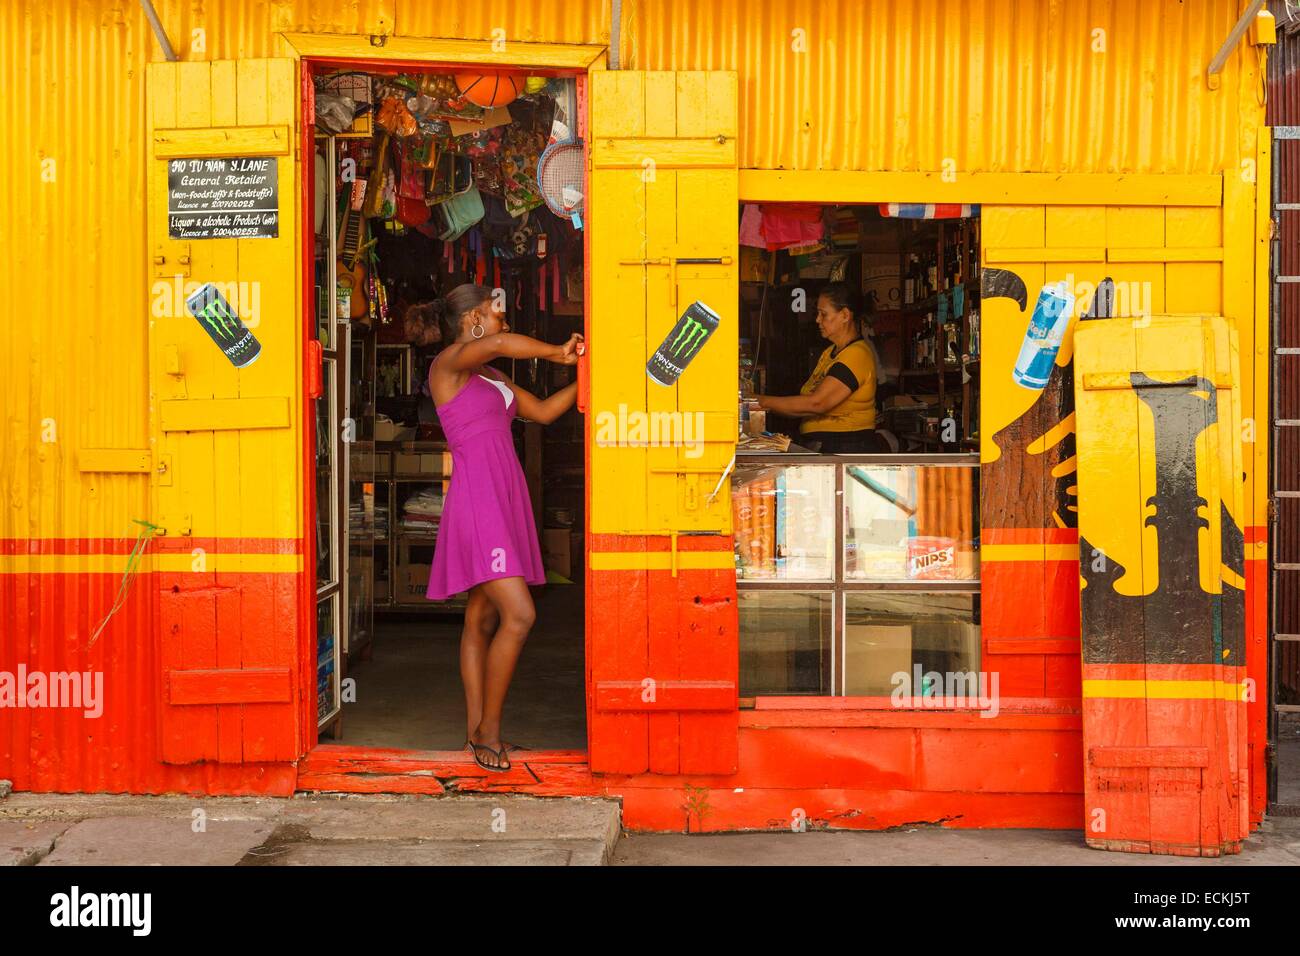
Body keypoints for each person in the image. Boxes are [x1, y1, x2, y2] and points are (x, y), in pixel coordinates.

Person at [425, 283, 582, 772]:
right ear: (473, 320)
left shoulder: (493, 379)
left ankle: (475, 730)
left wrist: (590, 373)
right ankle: (490, 730)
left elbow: (544, 412)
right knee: (520, 615)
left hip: (502, 500)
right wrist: (558, 352)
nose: (504, 324)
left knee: (481, 619)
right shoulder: (448, 366)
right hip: (478, 503)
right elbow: (494, 344)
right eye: (498, 315)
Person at [754, 281, 887, 453]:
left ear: (845, 315)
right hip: (825, 446)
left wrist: (760, 401)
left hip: (847, 447)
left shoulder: (857, 355)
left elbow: (818, 403)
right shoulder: (830, 353)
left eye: (823, 314)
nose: (817, 320)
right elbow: (807, 404)